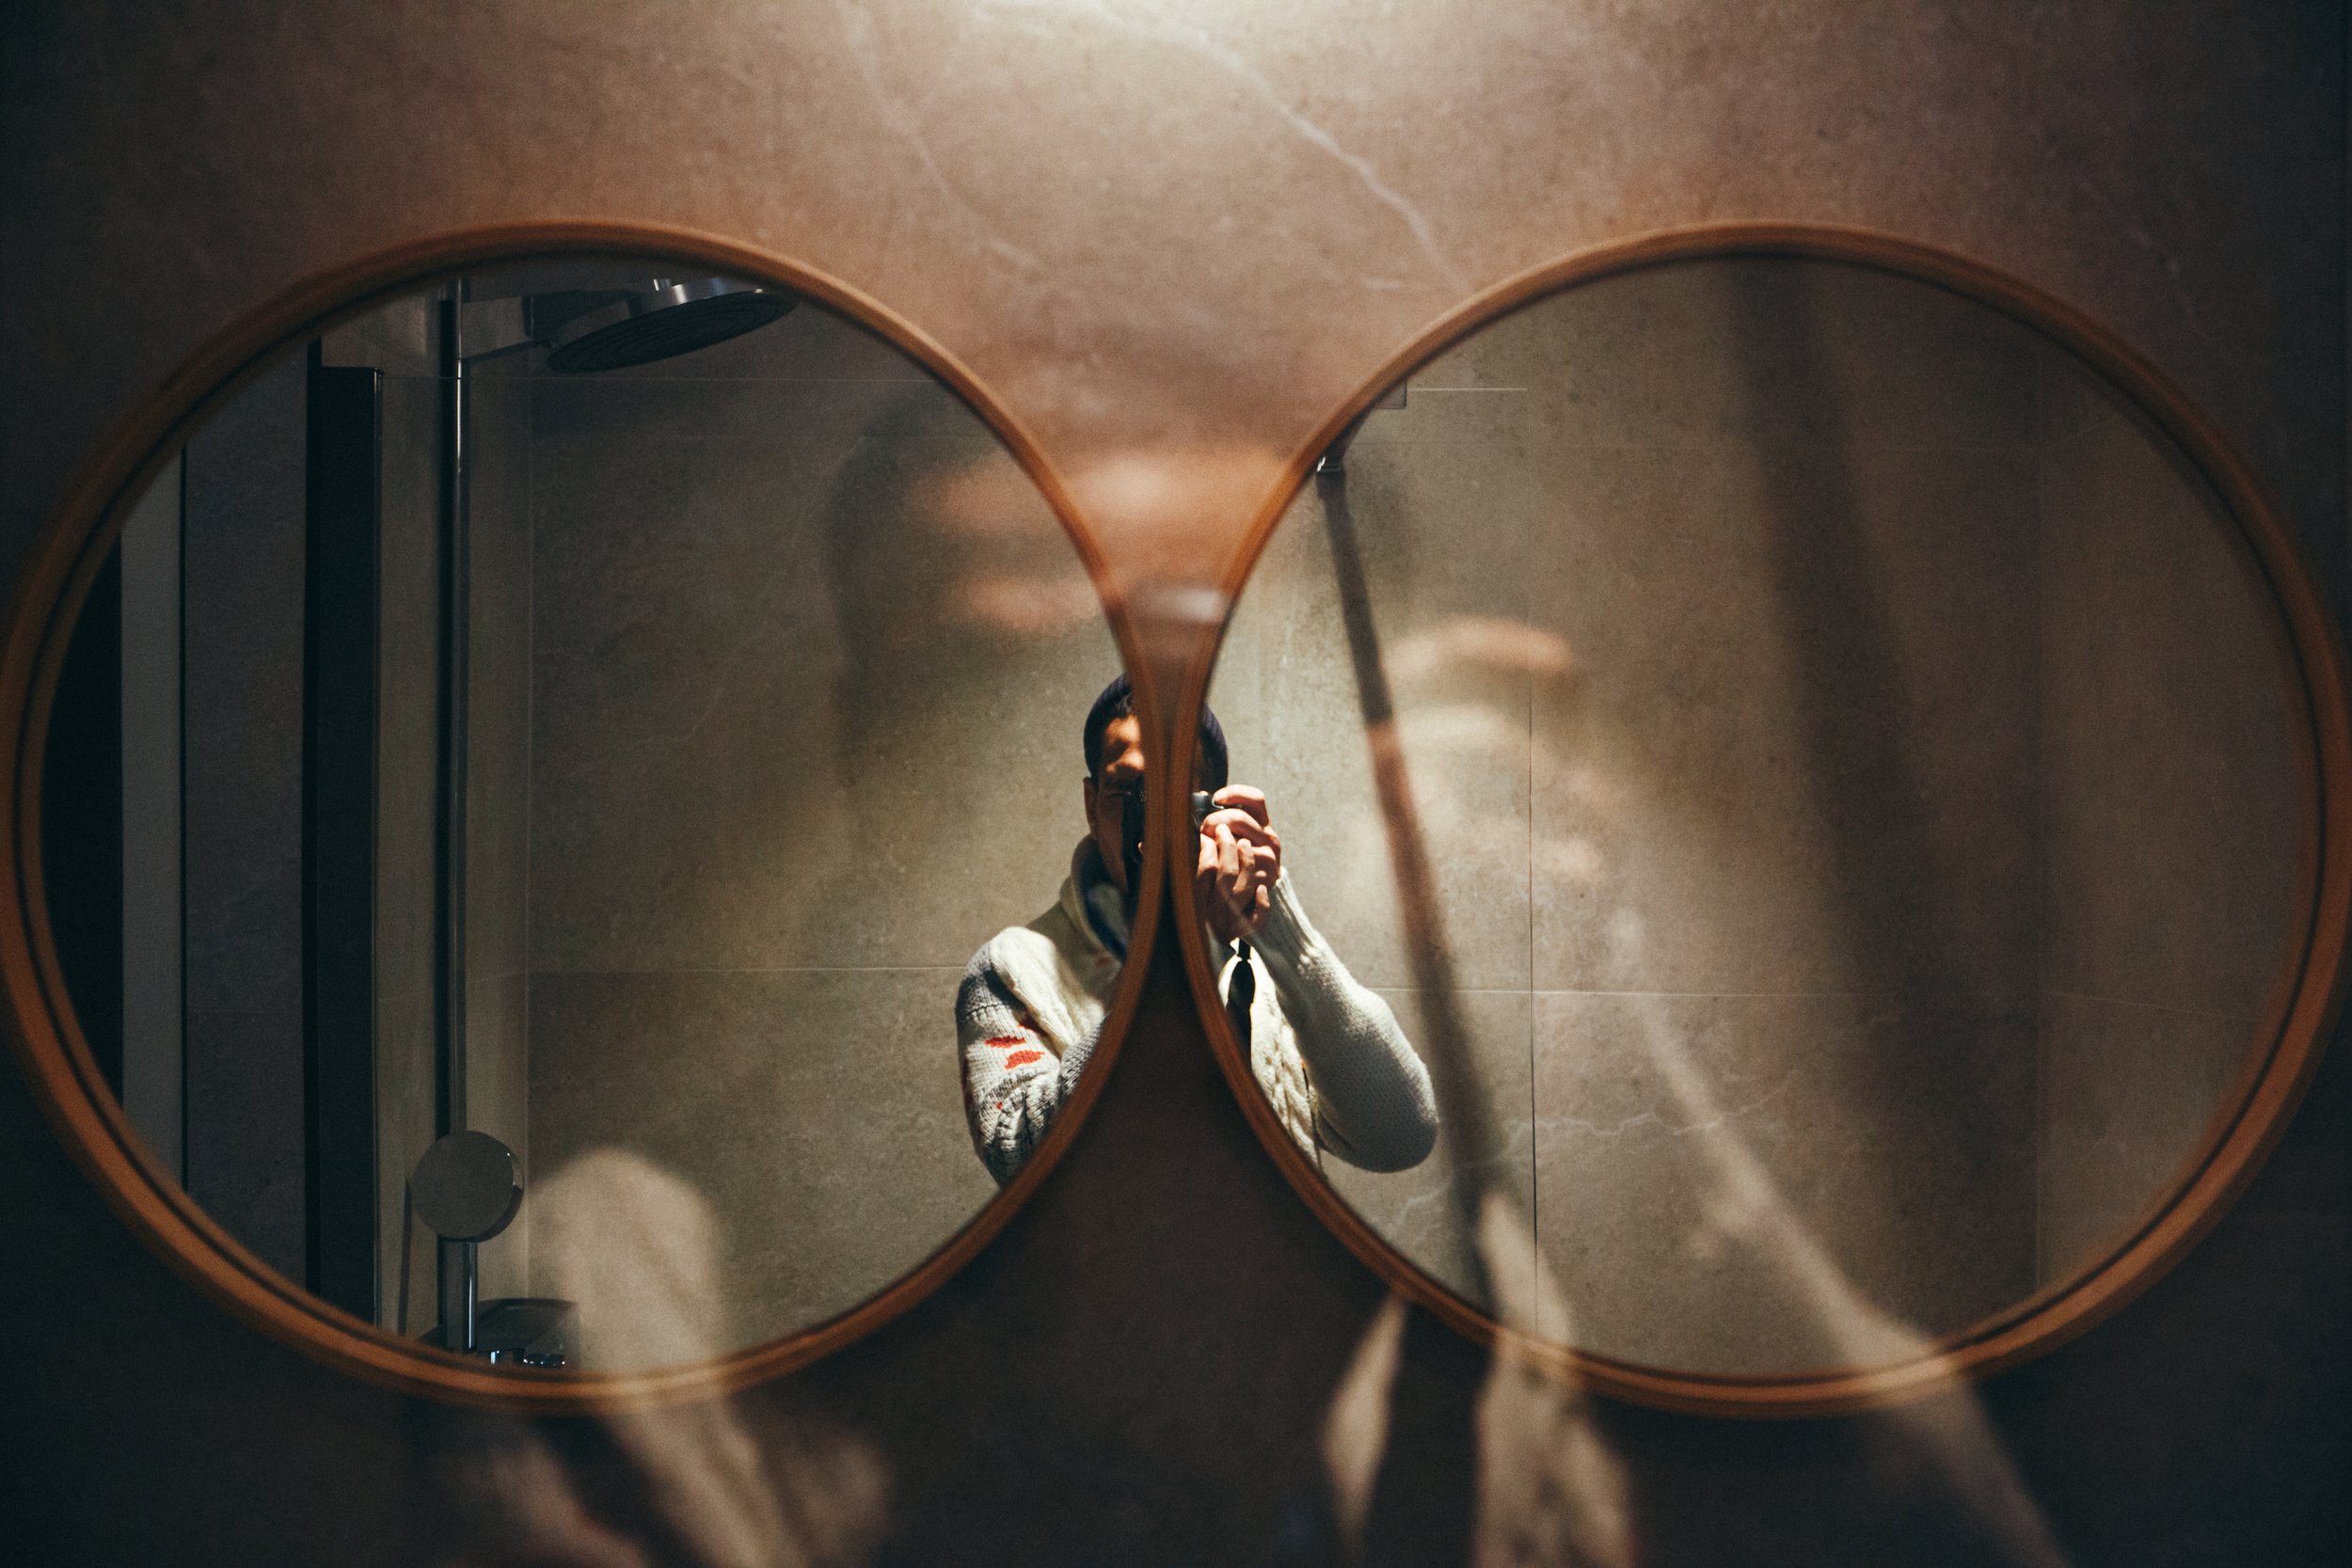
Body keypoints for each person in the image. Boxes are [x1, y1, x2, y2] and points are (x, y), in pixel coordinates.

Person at [957, 673, 1439, 1184]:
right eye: (1129, 792)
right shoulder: (1007, 970)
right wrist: (1179, 961)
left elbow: (1400, 1137)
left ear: (1215, 810)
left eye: (1175, 796)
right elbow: (1020, 1160)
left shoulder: (1262, 960)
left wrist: (1281, 928)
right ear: (1091, 805)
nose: (1155, 826)